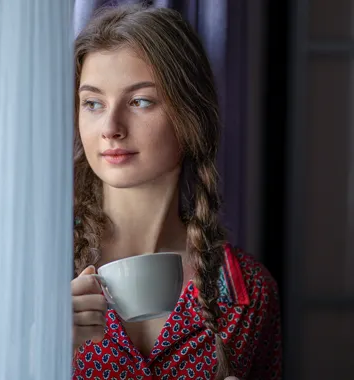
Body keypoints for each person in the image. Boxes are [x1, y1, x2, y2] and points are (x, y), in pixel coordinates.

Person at [71, 5, 281, 380]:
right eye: (93, 103)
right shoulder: (29, 271)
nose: (111, 127)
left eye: (140, 101)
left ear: (191, 115)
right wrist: (36, 346)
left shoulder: (249, 291)